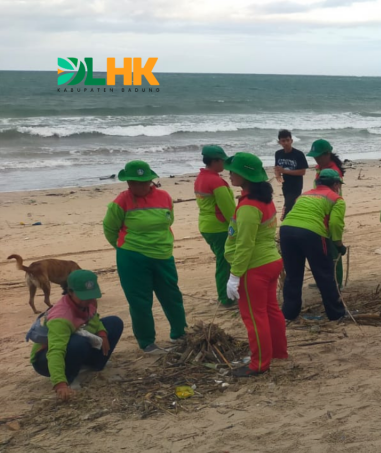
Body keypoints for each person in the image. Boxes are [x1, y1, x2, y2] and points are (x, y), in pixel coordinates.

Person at [103, 160, 187, 353]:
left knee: (172, 296)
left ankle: (180, 333)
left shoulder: (164, 197)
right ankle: (147, 342)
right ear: (128, 182)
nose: (140, 186)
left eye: (144, 182)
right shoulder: (121, 201)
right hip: (132, 257)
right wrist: (125, 248)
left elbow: (169, 221)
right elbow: (110, 229)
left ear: (151, 181)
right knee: (140, 301)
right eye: (134, 182)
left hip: (163, 255)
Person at [223, 152, 287, 377]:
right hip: (270, 261)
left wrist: (234, 275)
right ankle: (278, 352)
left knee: (254, 316)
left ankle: (259, 363)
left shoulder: (249, 206)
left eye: (233, 171)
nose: (229, 175)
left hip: (255, 267)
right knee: (270, 310)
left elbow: (245, 244)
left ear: (245, 175)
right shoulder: (263, 199)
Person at [29, 270, 123, 402]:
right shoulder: (61, 317)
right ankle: (69, 377)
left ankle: (93, 365)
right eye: (84, 296)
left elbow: (94, 320)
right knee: (78, 342)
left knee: (114, 323)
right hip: (45, 359)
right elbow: (56, 351)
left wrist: (103, 334)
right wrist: (59, 383)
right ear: (70, 292)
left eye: (91, 295)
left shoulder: (89, 302)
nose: (89, 300)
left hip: (75, 344)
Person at [279, 168, 347, 322]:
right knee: (324, 274)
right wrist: (338, 244)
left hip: (286, 230)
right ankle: (336, 314)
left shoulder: (304, 195)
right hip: (311, 233)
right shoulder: (336, 199)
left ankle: (289, 314)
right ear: (336, 184)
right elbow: (335, 224)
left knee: (292, 275)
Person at [194, 145, 237, 309]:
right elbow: (228, 209)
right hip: (219, 227)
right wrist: (238, 226)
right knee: (224, 263)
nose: (224, 164)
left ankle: (227, 294)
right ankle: (225, 298)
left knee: (222, 260)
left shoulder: (201, 177)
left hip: (206, 226)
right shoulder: (216, 181)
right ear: (215, 161)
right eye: (222, 161)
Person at [274, 130, 309, 217]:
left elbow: (303, 171)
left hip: (296, 185)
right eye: (283, 141)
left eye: (287, 140)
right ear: (279, 142)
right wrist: (278, 176)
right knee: (291, 204)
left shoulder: (298, 154)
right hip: (285, 184)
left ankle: (285, 219)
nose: (286, 143)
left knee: (288, 206)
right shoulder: (278, 154)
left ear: (291, 141)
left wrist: (285, 171)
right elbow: (277, 168)